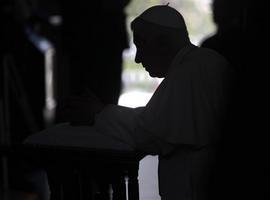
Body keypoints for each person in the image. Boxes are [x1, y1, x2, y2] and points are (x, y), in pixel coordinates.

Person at [49, 5, 235, 200]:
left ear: (163, 43)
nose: (137, 58)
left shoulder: (187, 73)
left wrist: (99, 113)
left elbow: (149, 132)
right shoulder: (202, 63)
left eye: (141, 46)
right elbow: (158, 118)